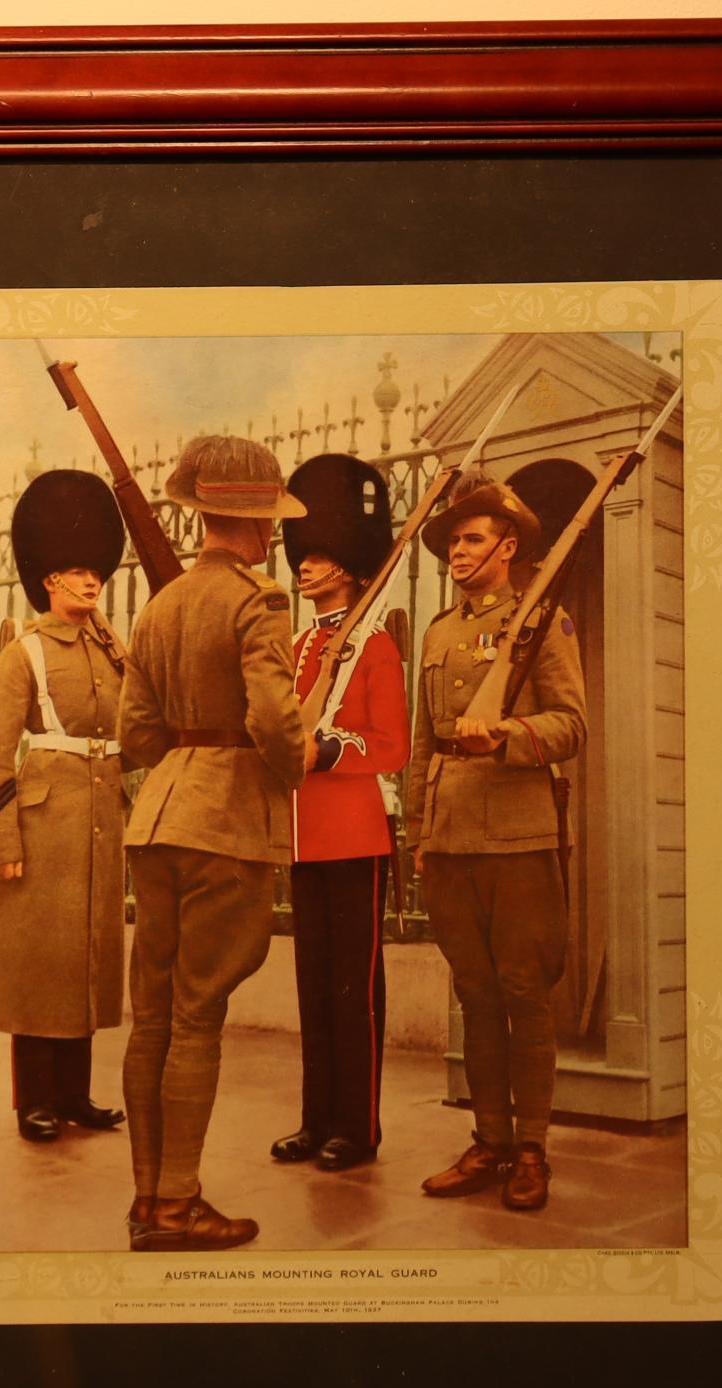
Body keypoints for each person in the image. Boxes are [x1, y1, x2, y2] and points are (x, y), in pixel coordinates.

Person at [119, 434, 311, 1252]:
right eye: (269, 519)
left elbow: (135, 733)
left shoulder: (158, 605)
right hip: (224, 822)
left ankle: (146, 1198)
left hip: (158, 816)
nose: (273, 533)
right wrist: (296, 764)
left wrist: (182, 770)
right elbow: (274, 720)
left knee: (152, 1018)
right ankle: (176, 1204)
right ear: (256, 522)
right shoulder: (260, 601)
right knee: (197, 1017)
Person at [405, 472, 587, 1210]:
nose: (458, 551)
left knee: (522, 994)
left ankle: (533, 1149)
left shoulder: (545, 622)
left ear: (507, 546)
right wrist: (418, 831)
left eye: (472, 538)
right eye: (451, 541)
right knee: (474, 996)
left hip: (518, 837)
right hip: (451, 840)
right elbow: (423, 744)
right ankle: (488, 1142)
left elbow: (572, 724)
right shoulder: (438, 633)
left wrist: (507, 734)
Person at [0, 468, 130, 1142]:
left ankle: (75, 1095)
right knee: (39, 963)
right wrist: (1, 841)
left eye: (94, 569)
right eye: (72, 570)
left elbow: (132, 733)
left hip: (99, 818)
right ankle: (34, 1099)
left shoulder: (114, 650)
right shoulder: (23, 653)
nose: (89, 581)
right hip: (42, 821)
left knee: (87, 957)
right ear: (46, 579)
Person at [269, 454, 410, 1172]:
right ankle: (315, 1117)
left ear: (352, 568)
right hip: (301, 836)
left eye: (321, 555)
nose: (306, 566)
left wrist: (326, 750)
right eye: (303, 554)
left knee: (352, 993)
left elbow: (392, 746)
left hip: (353, 834)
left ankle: (356, 1128)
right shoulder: (297, 647)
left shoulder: (374, 647)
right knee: (313, 989)